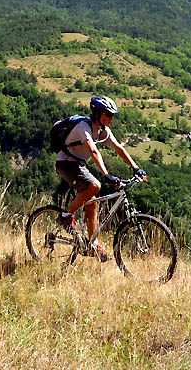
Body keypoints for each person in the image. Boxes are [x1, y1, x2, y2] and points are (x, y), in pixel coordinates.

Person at [55, 95, 143, 262]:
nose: (111, 118)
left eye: (112, 115)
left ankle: (92, 244)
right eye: (108, 114)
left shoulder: (103, 130)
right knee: (95, 185)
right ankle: (65, 216)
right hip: (66, 163)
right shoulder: (83, 127)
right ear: (98, 113)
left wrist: (136, 168)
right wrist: (106, 175)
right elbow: (94, 151)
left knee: (92, 202)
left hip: (78, 164)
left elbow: (119, 148)